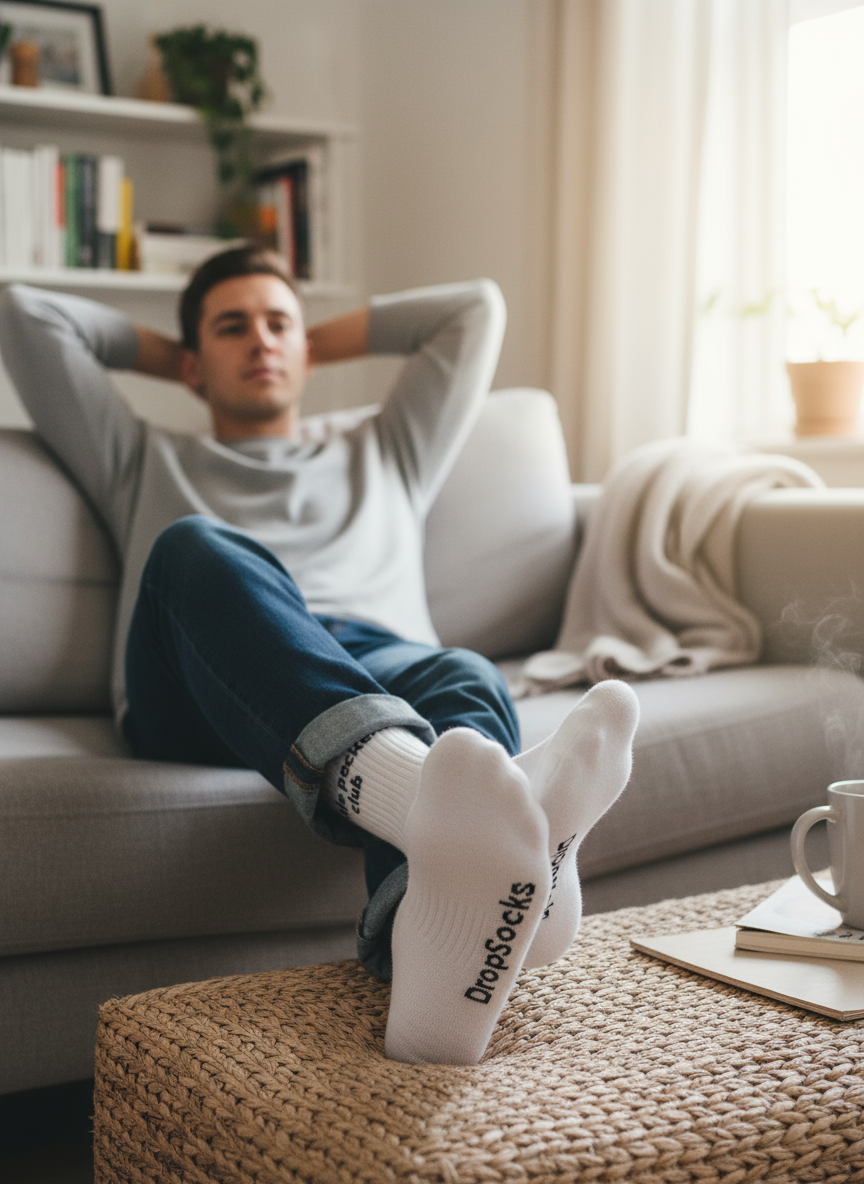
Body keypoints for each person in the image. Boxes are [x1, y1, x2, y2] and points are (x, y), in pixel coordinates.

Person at [0, 247, 639, 1065]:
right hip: (206, 677)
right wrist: (193, 356)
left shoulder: (389, 451)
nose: (261, 342)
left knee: (465, 673)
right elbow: (27, 314)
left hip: (381, 668)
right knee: (194, 545)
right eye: (233, 329)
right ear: (192, 366)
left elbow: (472, 309)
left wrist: (287, 339)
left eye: (279, 327)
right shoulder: (143, 458)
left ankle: (433, 941)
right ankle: (461, 829)